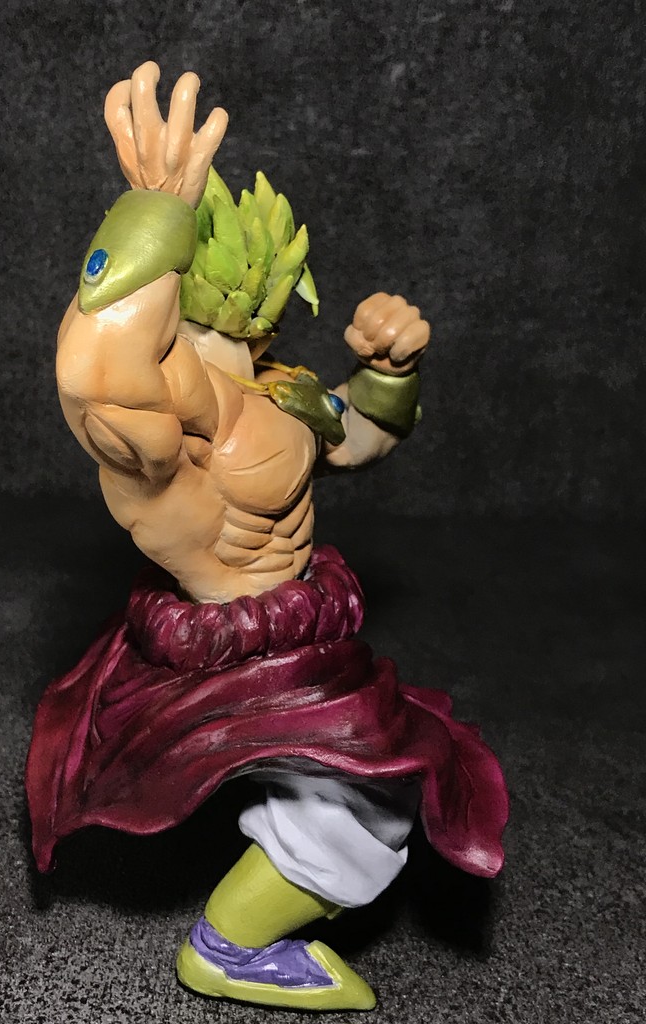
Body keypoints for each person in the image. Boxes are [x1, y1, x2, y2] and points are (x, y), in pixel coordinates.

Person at [26, 61, 508, 1012]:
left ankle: (257, 907)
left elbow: (355, 432)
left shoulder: (274, 387)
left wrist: (390, 371)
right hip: (231, 650)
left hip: (307, 629)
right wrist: (157, 211)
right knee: (357, 812)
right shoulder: (170, 410)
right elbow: (93, 372)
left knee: (390, 778)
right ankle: (230, 945)